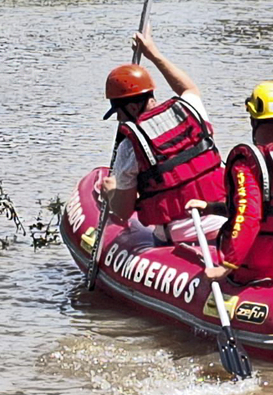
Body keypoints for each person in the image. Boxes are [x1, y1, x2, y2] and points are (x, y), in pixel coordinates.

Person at [186, 81, 273, 284]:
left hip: (261, 265)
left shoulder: (246, 163)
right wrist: (210, 207)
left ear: (253, 118)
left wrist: (227, 267)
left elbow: (249, 214)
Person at [97, 31, 227, 245]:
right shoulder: (190, 111)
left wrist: (111, 193)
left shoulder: (130, 146)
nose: (118, 118)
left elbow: (122, 210)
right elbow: (188, 88)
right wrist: (153, 54)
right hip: (226, 222)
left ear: (131, 107)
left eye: (118, 112)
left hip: (179, 238)